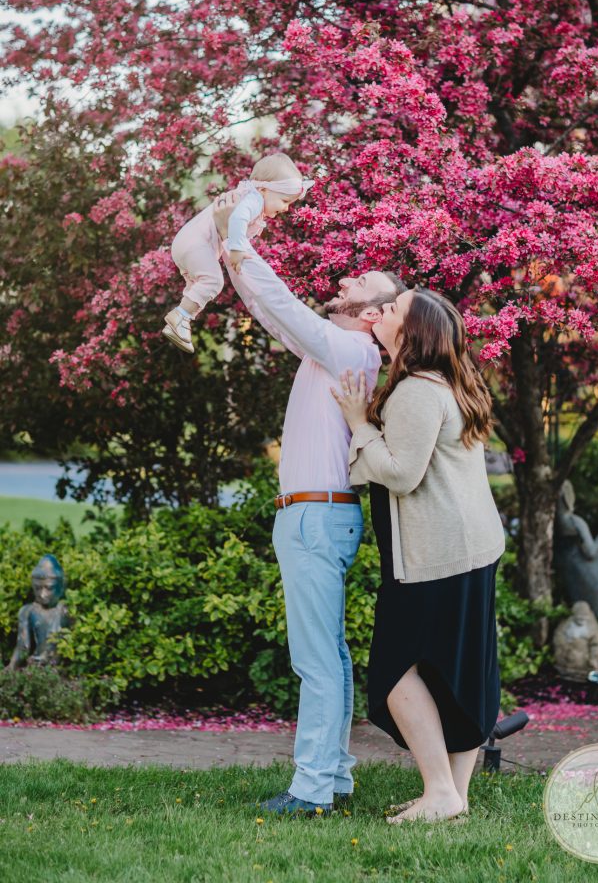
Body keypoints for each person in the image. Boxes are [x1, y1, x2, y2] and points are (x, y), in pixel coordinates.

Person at [211, 191, 406, 816]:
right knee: (330, 656)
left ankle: (313, 788)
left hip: (316, 516)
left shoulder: (351, 350)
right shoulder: (332, 349)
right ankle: (335, 777)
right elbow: (273, 313)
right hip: (316, 515)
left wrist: (242, 225)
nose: (347, 276)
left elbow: (284, 307)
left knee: (316, 660)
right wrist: (231, 252)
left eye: (362, 280)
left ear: (373, 314)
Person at [332, 288, 505, 824]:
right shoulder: (450, 384)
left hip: (437, 556)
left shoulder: (414, 392)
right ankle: (453, 794)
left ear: (411, 332)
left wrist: (359, 421)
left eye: (391, 310)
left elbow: (403, 474)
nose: (378, 312)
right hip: (472, 548)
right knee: (462, 672)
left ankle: (439, 793)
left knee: (393, 671)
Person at [163, 152, 313, 353]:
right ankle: (180, 315)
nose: (286, 208)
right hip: (195, 243)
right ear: (263, 189)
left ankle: (181, 322)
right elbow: (237, 219)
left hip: (186, 244)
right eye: (285, 201)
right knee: (213, 282)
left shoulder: (249, 197)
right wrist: (236, 248)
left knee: (199, 285)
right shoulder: (254, 199)